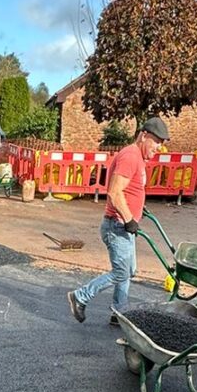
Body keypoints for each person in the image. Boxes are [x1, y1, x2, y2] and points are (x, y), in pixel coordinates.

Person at [67, 117, 169, 325]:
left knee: (128, 271)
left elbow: (130, 189)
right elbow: (114, 192)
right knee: (122, 271)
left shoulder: (139, 159)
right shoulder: (130, 156)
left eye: (162, 143)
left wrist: (139, 206)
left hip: (124, 226)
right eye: (156, 141)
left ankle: (119, 313)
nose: (158, 147)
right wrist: (130, 218)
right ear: (143, 136)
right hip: (117, 225)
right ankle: (80, 296)